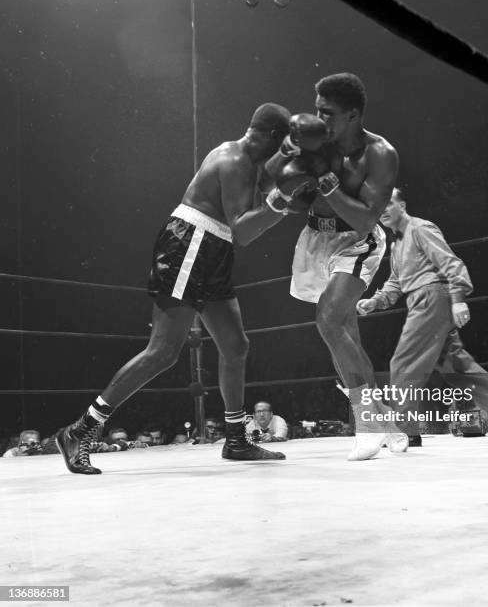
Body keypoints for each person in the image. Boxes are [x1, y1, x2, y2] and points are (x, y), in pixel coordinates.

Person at [56, 103, 310, 474]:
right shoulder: (234, 162)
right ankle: (81, 430)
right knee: (163, 352)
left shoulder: (254, 162)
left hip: (213, 249)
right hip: (189, 245)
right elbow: (244, 231)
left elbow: (261, 198)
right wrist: (282, 201)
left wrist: (292, 175)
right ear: (271, 136)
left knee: (235, 346)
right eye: (281, 143)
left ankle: (236, 440)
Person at [267, 73, 405, 461]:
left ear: (353, 115)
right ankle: (387, 423)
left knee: (328, 320)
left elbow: (365, 220)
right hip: (315, 239)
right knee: (343, 335)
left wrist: (326, 183)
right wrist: (290, 169)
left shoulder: (379, 154)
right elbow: (276, 184)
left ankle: (366, 422)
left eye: (327, 112)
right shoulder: (312, 141)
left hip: (356, 242)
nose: (318, 118)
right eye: (316, 109)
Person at [356, 189, 488, 444]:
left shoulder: (420, 229)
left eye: (389, 203)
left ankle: (406, 432)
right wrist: (375, 301)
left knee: (403, 363)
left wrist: (459, 299)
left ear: (402, 205)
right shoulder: (397, 243)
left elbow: (451, 263)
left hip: (431, 298)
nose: (382, 209)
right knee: (457, 366)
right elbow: (396, 281)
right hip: (424, 301)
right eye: (378, 206)